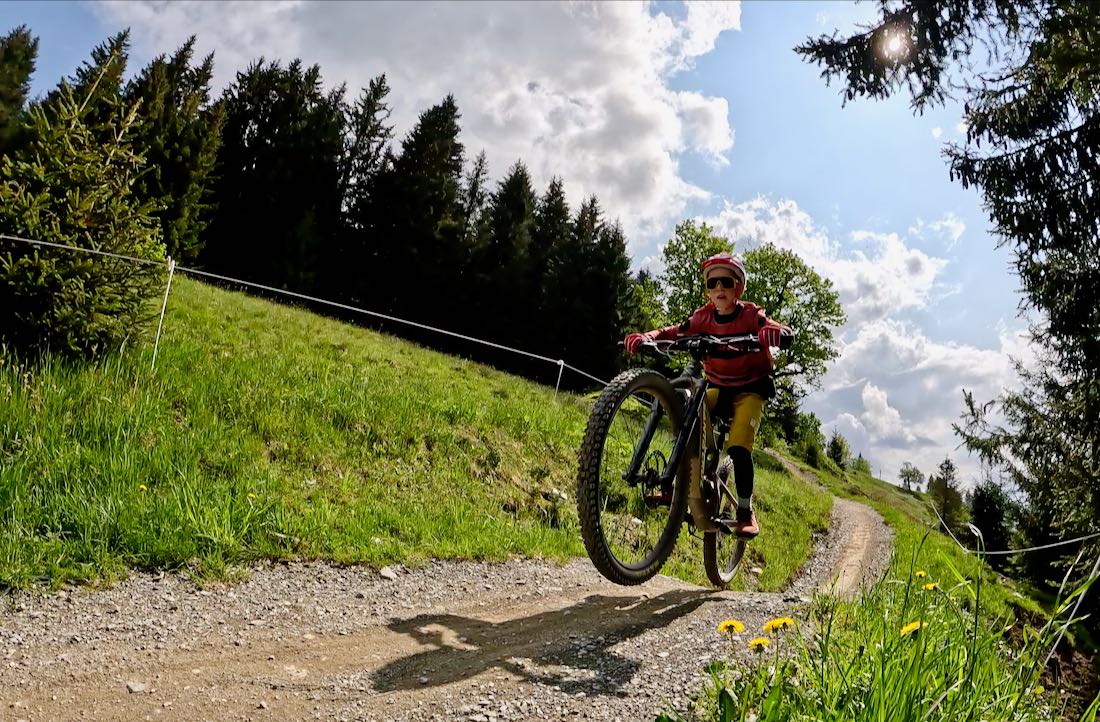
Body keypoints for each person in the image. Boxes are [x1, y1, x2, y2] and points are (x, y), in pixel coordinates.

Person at [623, 252, 789, 539]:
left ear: (739, 288)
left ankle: (745, 511)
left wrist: (776, 334)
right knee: (688, 417)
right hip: (718, 387)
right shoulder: (703, 317)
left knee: (738, 449)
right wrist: (648, 336)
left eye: (726, 281)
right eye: (713, 283)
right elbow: (676, 331)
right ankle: (675, 487)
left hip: (750, 390)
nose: (719, 288)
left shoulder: (751, 315)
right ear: (707, 291)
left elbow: (774, 327)